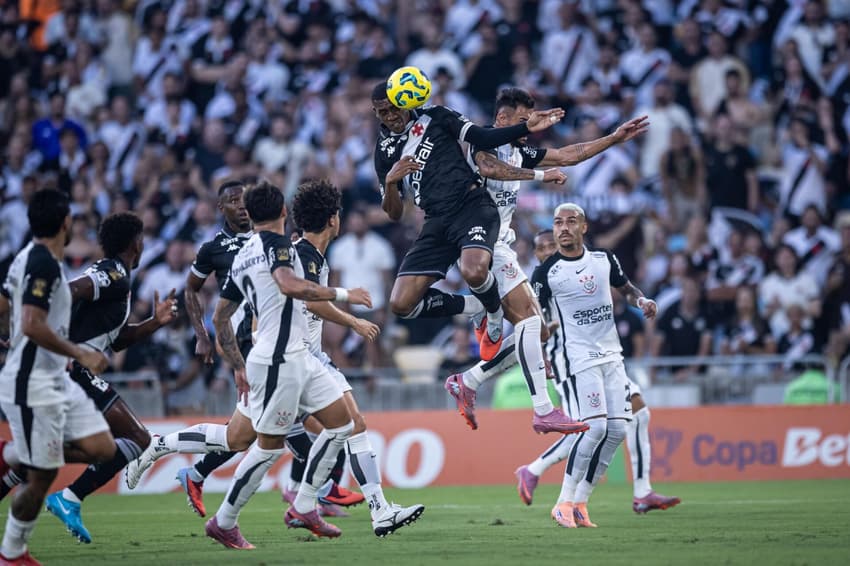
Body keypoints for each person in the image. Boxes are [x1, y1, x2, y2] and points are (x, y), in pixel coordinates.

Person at [125, 181, 360, 518]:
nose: (239, 206)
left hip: (276, 348)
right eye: (232, 201)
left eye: (243, 200)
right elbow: (202, 296)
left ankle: (170, 454)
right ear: (223, 208)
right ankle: (305, 497)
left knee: (240, 437)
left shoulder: (260, 247)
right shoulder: (228, 249)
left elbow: (236, 306)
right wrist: (207, 339)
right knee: (273, 439)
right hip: (259, 348)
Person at [443, 87, 648, 433]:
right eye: (523, 120)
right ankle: (539, 406)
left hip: (500, 244)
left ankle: (471, 377)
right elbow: (491, 169)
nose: (529, 127)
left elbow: (569, 154)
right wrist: (538, 176)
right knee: (533, 324)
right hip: (478, 241)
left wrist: (612, 139)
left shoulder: (520, 150)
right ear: (503, 118)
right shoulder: (483, 141)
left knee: (534, 329)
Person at [204, 181, 368, 547]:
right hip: (279, 360)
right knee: (267, 446)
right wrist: (346, 295)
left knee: (343, 425)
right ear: (282, 214)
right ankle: (224, 520)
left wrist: (237, 363)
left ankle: (305, 505)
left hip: (296, 357)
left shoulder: (245, 251)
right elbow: (289, 285)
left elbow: (219, 318)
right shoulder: (277, 244)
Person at [371, 81, 564, 361]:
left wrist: (524, 128)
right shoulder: (384, 152)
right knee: (401, 304)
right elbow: (394, 213)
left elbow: (481, 137)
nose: (389, 116)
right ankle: (476, 306)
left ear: (405, 101)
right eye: (381, 112)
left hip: (470, 205)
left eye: (393, 108)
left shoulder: (436, 115)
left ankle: (495, 317)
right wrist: (390, 182)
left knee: (473, 270)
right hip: (435, 221)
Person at [22, 212, 176, 545]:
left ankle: (34, 459)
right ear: (136, 242)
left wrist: (154, 322)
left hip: (69, 366)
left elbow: (116, 339)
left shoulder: (116, 276)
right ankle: (68, 495)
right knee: (137, 439)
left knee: (102, 447)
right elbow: (70, 290)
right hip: (73, 367)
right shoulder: (113, 274)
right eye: (142, 237)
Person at [289, 180, 424, 536]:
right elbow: (312, 301)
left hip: (312, 357)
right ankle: (306, 499)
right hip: (296, 359)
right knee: (245, 439)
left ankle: (375, 509)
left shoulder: (312, 254)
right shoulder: (304, 254)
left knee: (352, 425)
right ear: (333, 219)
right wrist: (353, 320)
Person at [514, 229, 680, 514]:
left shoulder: (579, 268)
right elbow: (528, 326)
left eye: (550, 246)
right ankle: (534, 471)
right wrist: (542, 358)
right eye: (540, 249)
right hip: (568, 360)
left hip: (603, 356)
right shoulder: (543, 280)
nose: (546, 252)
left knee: (638, 411)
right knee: (588, 426)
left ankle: (642, 491)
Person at [0, 189, 113, 564]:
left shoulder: (28, 260)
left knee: (103, 448)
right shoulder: (44, 265)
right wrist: (79, 351)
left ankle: (16, 452)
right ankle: (12, 552)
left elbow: (6, 304)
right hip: (31, 383)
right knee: (42, 477)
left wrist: (8, 329)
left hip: (56, 379)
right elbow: (32, 324)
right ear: (66, 223)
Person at [533, 203, 658, 528]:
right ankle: (562, 503)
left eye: (570, 222)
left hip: (612, 356)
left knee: (617, 429)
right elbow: (534, 320)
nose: (563, 228)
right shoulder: (546, 272)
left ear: (583, 227)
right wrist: (542, 353)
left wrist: (642, 300)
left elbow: (627, 289)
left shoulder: (604, 260)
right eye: (558, 222)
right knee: (596, 428)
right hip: (580, 359)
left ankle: (581, 502)